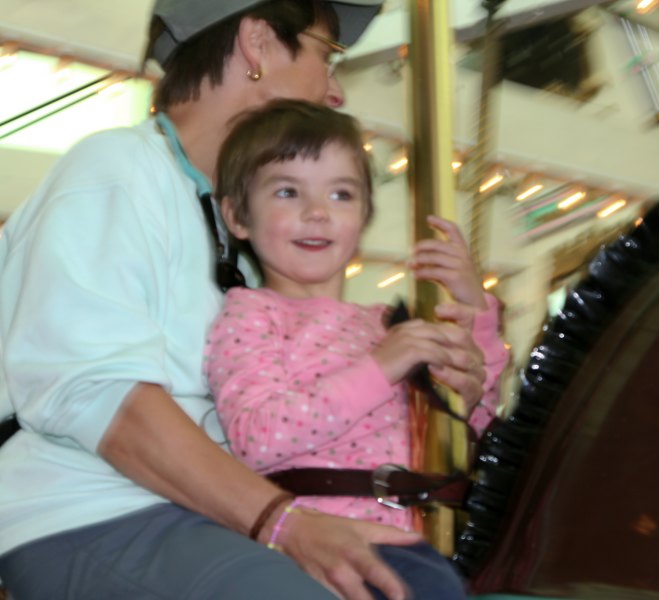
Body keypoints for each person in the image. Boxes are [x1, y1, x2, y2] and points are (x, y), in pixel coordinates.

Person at [0, 1, 491, 598]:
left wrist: (451, 381)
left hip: (208, 510)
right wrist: (281, 521)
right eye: (325, 55)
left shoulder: (247, 239)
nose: (335, 92)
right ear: (258, 42)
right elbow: (103, 400)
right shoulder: (117, 170)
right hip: (91, 507)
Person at [204, 100, 508, 537]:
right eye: (288, 192)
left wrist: (474, 313)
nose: (317, 211)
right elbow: (257, 438)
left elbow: (469, 426)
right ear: (237, 216)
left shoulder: (388, 323)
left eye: (341, 194)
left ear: (363, 217)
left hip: (420, 535)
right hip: (326, 538)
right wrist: (380, 368)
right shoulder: (252, 315)